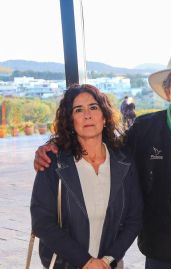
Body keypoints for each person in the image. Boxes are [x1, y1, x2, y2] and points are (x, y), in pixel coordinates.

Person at [34, 49, 171, 269]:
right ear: (167, 91)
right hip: (164, 252)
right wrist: (54, 146)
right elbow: (104, 145)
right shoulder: (145, 130)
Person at [30, 84, 143, 269]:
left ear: (104, 116)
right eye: (78, 110)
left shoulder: (124, 161)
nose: (87, 115)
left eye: (93, 107)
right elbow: (42, 221)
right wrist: (86, 262)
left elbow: (134, 218)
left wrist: (108, 260)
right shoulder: (54, 162)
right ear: (70, 120)